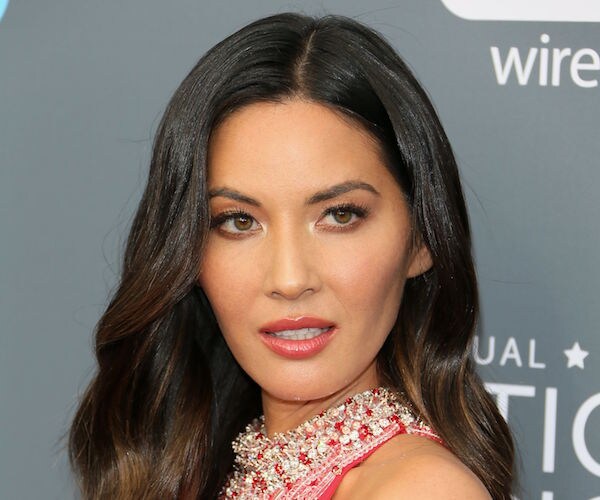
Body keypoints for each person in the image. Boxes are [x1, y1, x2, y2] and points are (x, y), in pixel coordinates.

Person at [69, 12, 515, 499]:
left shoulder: (420, 491)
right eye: (239, 221)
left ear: (422, 238)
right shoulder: (200, 472)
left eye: (339, 215)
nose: (288, 278)